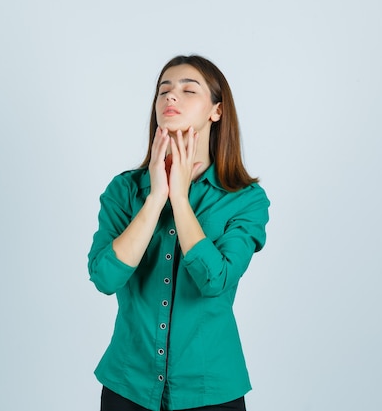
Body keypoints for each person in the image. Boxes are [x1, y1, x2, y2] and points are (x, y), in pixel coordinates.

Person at [88, 55, 270, 411]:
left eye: (189, 90)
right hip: (128, 387)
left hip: (211, 390)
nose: (171, 97)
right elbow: (105, 277)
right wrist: (156, 198)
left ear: (216, 111)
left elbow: (214, 281)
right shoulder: (124, 191)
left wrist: (180, 199)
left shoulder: (246, 200)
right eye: (163, 91)